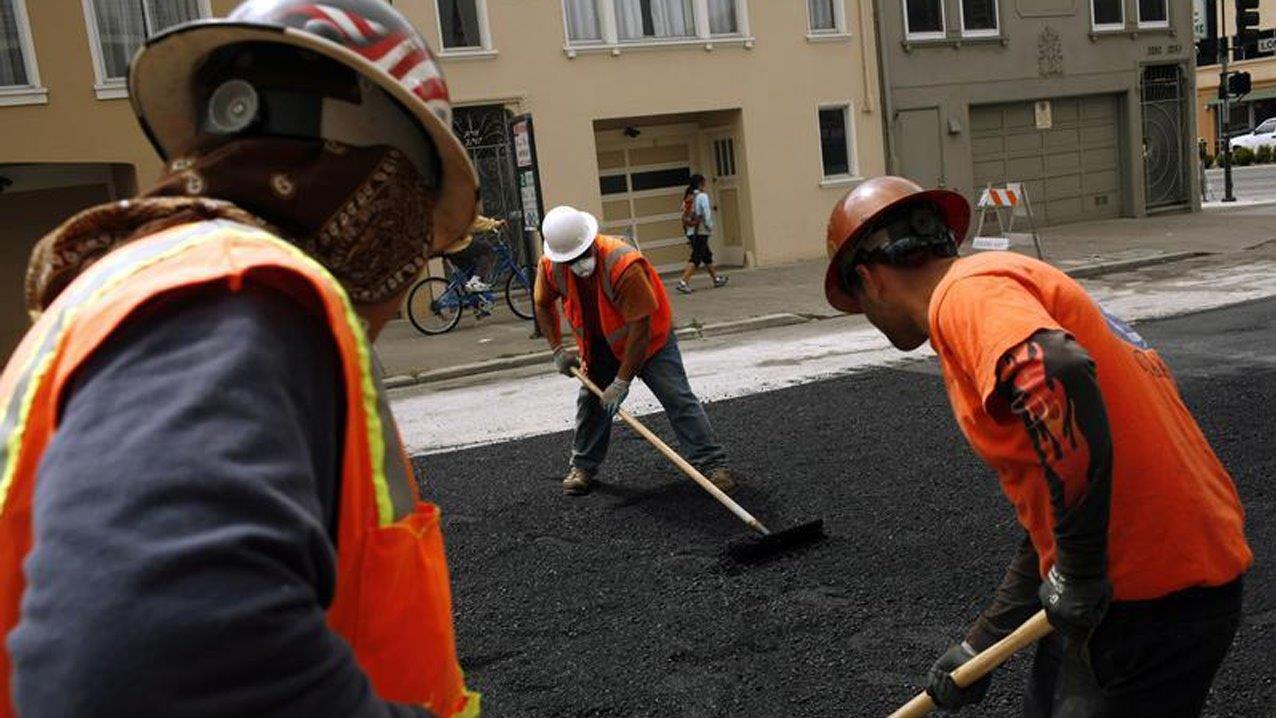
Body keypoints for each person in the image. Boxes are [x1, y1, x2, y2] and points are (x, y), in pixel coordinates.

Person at [0, 2, 483, 716]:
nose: (411, 267)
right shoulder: (237, 297)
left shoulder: (141, 284)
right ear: (382, 194)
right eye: (420, 236)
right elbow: (152, 659)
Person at [822, 177, 1251, 716]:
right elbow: (1056, 503)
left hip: (1150, 595)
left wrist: (1080, 569)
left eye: (857, 302)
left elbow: (1057, 370)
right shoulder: (1008, 280)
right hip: (1143, 584)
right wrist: (983, 643)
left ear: (870, 280)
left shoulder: (964, 296)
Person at [533, 205, 736, 496]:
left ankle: (714, 464)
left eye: (581, 254)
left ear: (591, 240)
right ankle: (583, 467)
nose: (578, 263)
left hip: (651, 341)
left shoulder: (623, 263)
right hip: (600, 345)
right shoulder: (552, 266)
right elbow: (542, 303)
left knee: (677, 397)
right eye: (571, 259)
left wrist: (622, 381)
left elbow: (640, 329)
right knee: (591, 404)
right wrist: (556, 350)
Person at [676, 174, 728, 294]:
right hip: (701, 231)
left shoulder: (688, 197)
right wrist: (709, 226)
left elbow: (683, 213)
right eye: (704, 183)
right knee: (696, 257)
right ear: (700, 183)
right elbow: (706, 213)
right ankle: (683, 282)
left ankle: (716, 279)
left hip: (691, 231)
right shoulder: (702, 196)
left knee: (706, 255)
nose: (705, 185)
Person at [445, 215, 505, 293]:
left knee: (473, 269)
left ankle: (474, 295)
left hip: (449, 248)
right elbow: (475, 221)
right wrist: (496, 223)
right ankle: (474, 282)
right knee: (488, 249)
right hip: (459, 245)